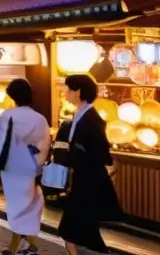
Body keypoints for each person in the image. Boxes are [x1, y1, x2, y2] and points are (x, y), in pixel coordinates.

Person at [57, 74, 121, 255]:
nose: (65, 92)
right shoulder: (81, 115)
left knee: (69, 230)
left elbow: (100, 150)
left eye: (68, 89)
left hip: (88, 183)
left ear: (78, 92)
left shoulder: (91, 119)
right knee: (84, 232)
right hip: (82, 181)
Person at [0, 78, 50, 255]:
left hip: (11, 167)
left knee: (16, 206)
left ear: (12, 96)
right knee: (30, 205)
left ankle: (30, 245)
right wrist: (38, 165)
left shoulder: (8, 115)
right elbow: (44, 144)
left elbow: (0, 142)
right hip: (31, 168)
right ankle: (18, 246)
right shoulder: (40, 119)